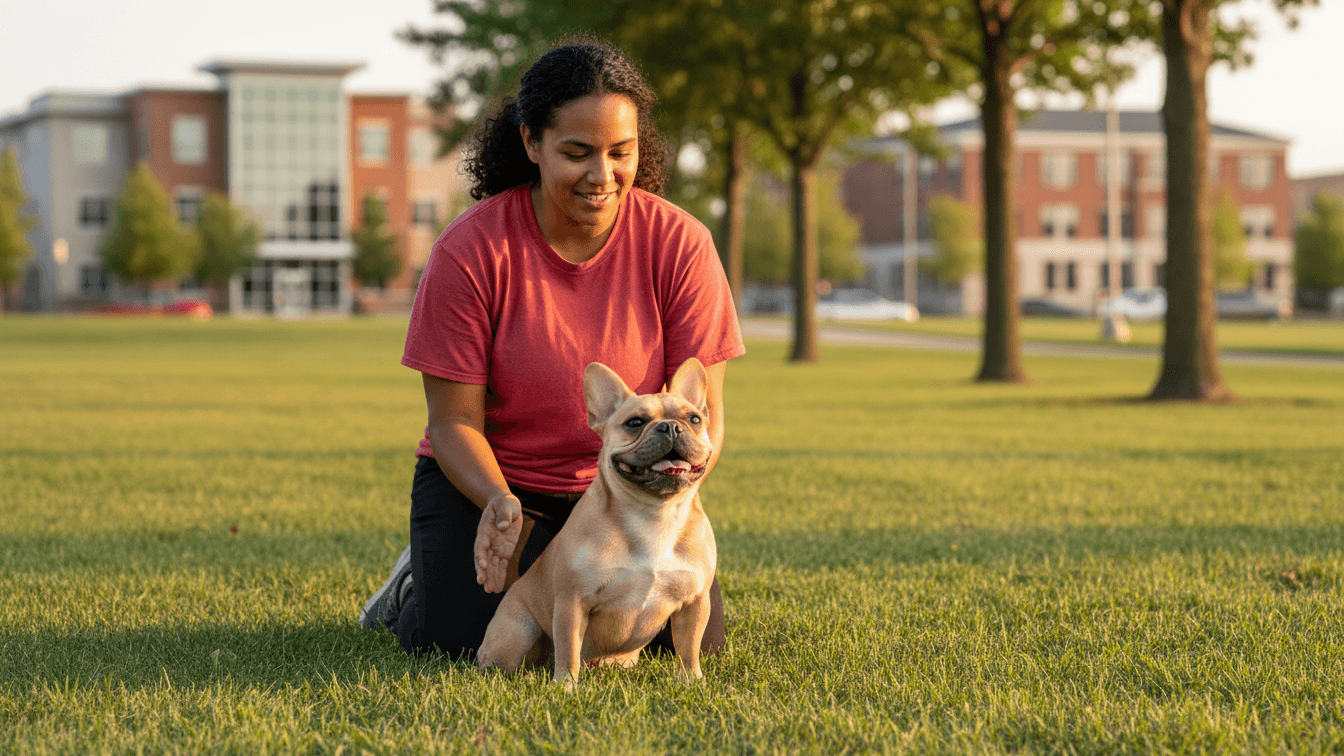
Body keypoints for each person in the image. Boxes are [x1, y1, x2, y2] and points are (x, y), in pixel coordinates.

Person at [358, 40, 745, 660]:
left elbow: (706, 414)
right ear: (531, 144)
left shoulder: (681, 244)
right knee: (462, 645)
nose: (603, 175)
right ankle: (416, 584)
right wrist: (497, 503)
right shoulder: (472, 249)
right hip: (499, 483)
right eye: (577, 153)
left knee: (686, 647)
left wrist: (675, 487)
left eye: (621, 152)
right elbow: (454, 421)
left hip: (631, 486)